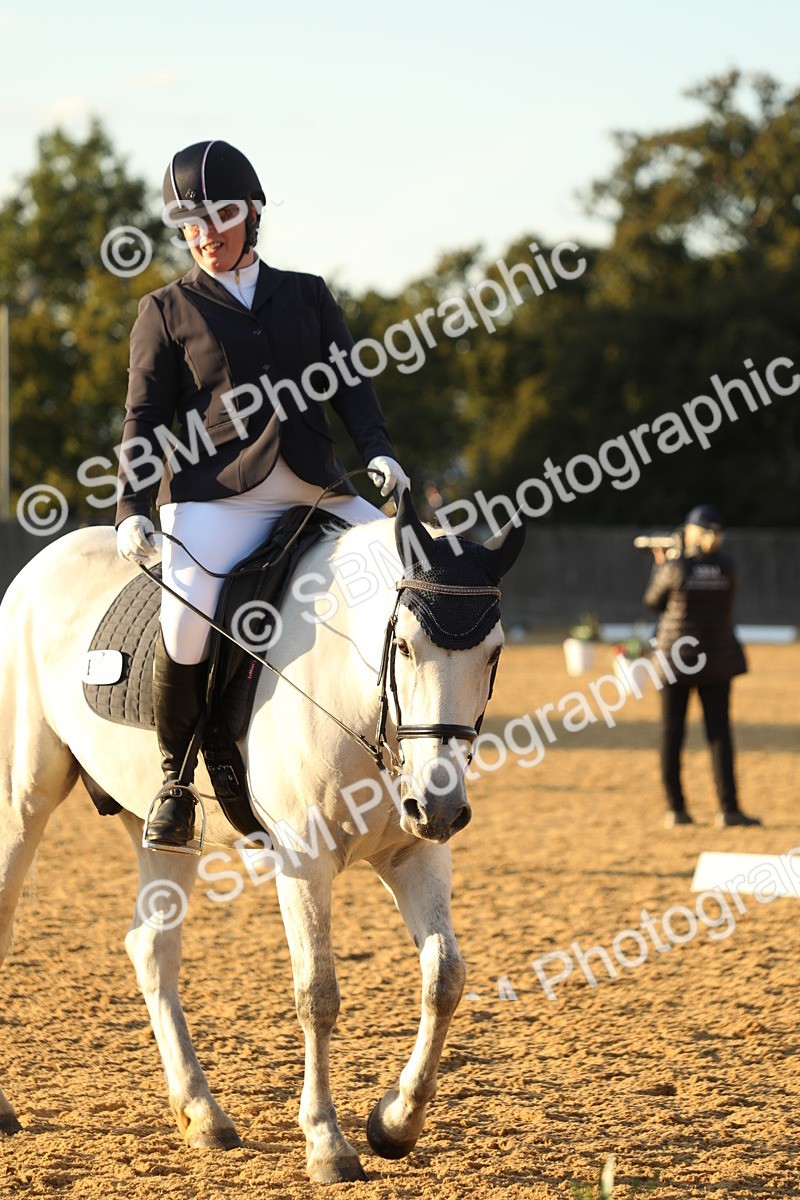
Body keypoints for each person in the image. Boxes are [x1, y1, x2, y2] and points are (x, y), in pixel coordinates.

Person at [115, 140, 409, 852]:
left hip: (315, 487)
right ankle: (175, 782)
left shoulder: (306, 294)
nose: (207, 235)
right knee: (186, 626)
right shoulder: (165, 309)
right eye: (191, 224)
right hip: (218, 497)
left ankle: (424, 748)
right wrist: (129, 507)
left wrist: (378, 450)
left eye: (221, 218)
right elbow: (143, 418)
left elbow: (349, 383)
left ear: (251, 215)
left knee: (409, 573)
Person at [644, 504, 760, 829]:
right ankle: (729, 809)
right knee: (719, 733)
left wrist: (661, 566)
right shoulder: (728, 567)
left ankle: (676, 809)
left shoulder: (676, 566)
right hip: (717, 658)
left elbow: (653, 602)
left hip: (675, 660)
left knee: (672, 733)